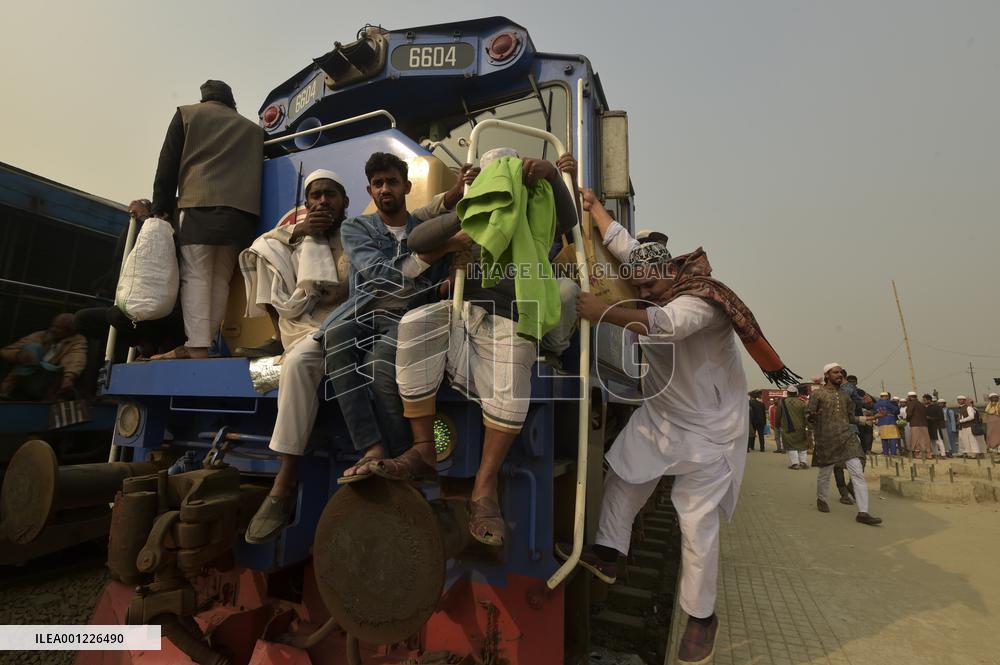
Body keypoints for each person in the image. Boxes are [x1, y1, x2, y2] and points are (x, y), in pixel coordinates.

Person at [558, 187, 799, 664]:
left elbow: (664, 325)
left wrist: (602, 311)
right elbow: (621, 240)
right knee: (625, 476)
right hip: (664, 413)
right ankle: (608, 553)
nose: (643, 296)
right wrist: (592, 205)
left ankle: (702, 617)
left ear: (669, 274)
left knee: (695, 523)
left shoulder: (703, 302)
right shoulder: (654, 271)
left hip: (711, 429)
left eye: (648, 289)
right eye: (639, 288)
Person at [366, 150, 580, 548]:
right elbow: (418, 239)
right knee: (415, 323)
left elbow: (570, 222)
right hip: (463, 312)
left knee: (515, 365)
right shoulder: (473, 212)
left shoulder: (537, 214)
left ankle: (484, 489)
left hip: (512, 317)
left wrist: (551, 177)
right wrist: (464, 220)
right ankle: (424, 448)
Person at [147, 80, 264, 360]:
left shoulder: (187, 115)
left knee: (196, 276)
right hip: (241, 216)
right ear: (231, 102)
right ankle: (206, 342)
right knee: (221, 279)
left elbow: (167, 166)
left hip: (198, 206)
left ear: (203, 100)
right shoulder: (253, 130)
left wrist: (160, 210)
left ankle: (197, 347)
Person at [807, 363, 882, 526]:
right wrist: (812, 416)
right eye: (836, 372)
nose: (839, 375)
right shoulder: (817, 394)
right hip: (826, 438)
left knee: (858, 473)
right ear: (827, 375)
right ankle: (821, 498)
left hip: (847, 437)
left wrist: (868, 418)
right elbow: (808, 416)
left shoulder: (846, 396)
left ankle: (863, 512)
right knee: (825, 473)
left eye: (841, 372)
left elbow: (851, 418)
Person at [0, 314, 87, 401]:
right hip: (26, 377)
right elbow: (6, 351)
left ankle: (51, 401)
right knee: (32, 347)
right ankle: (7, 389)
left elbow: (76, 358)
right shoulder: (40, 335)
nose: (53, 329)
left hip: (48, 383)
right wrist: (18, 355)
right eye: (53, 326)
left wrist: (68, 378)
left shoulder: (77, 340)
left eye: (58, 328)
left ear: (70, 331)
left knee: (59, 370)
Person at [776, 386, 809, 468]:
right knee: (802, 445)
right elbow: (806, 416)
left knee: (791, 445)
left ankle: (795, 464)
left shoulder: (782, 402)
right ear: (796, 393)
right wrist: (808, 427)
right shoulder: (802, 402)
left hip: (788, 428)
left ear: (787, 393)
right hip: (801, 427)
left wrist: (777, 425)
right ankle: (803, 462)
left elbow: (778, 416)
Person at [904, 391, 934, 460]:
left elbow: (909, 413)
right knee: (925, 439)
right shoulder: (921, 404)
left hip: (915, 424)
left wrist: (907, 419)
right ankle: (928, 454)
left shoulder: (911, 403)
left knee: (916, 439)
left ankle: (918, 454)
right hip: (924, 424)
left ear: (910, 397)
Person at [873, 391, 901, 456]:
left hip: (881, 422)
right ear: (886, 396)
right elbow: (896, 410)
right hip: (890, 421)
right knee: (892, 438)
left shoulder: (876, 404)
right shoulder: (888, 403)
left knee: (884, 438)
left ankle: (885, 453)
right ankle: (893, 453)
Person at [923, 394, 947, 458]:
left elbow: (941, 417)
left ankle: (943, 454)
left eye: (925, 400)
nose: (924, 401)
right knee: (932, 441)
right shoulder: (926, 408)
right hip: (929, 426)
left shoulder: (937, 407)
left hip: (936, 426)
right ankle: (935, 453)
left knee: (939, 440)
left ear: (929, 400)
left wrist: (930, 418)